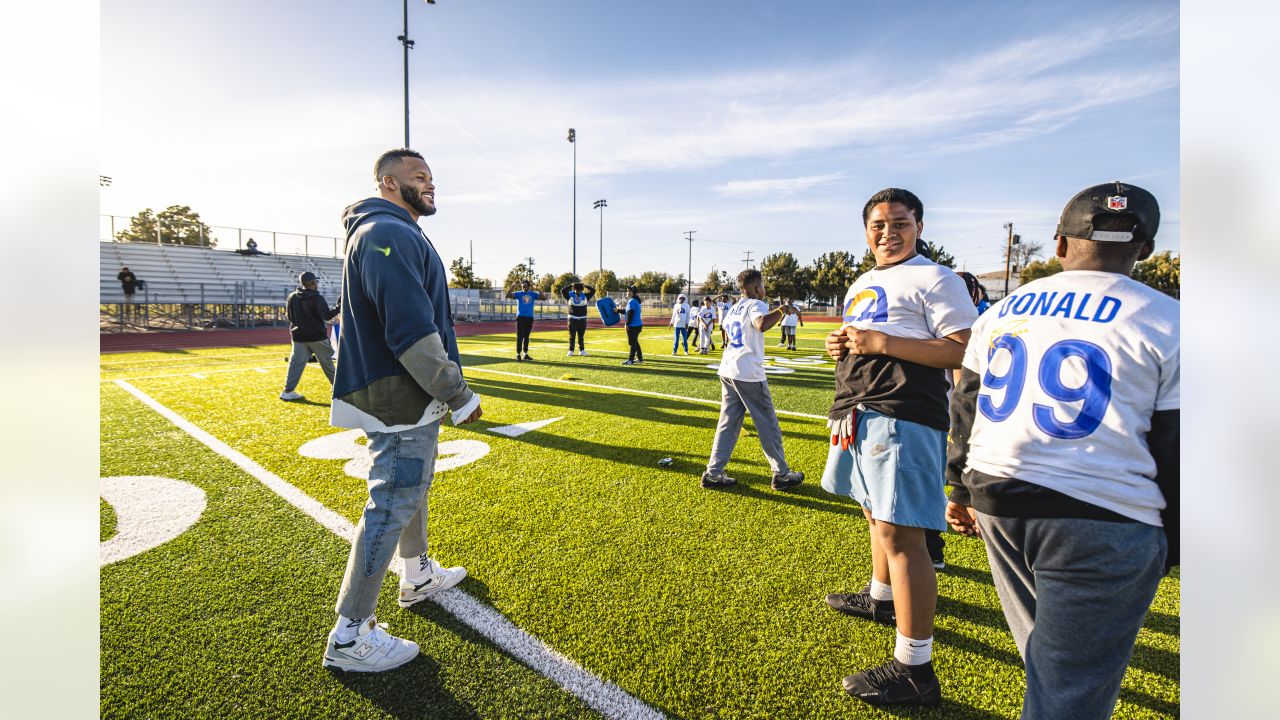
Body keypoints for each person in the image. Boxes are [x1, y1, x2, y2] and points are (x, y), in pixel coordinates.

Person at [945, 182, 1177, 720]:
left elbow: (966, 403)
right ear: (1143, 248)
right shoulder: (1169, 318)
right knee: (1070, 690)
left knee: (1049, 664)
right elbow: (1180, 443)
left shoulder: (1001, 311)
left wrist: (959, 487)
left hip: (998, 497)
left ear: (1058, 244)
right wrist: (1176, 543)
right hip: (1103, 514)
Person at [323, 148, 482, 673]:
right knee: (393, 499)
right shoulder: (386, 233)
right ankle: (350, 635)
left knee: (411, 489)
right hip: (401, 394)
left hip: (408, 394)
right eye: (420, 176)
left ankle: (415, 573)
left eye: (433, 176)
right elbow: (410, 330)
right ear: (389, 182)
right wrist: (458, 393)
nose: (430, 184)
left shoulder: (391, 230)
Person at [820, 188, 977, 706]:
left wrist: (882, 343)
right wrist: (839, 345)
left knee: (901, 532)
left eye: (900, 223)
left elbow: (964, 348)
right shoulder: (864, 281)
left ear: (919, 227)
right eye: (878, 225)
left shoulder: (936, 277)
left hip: (904, 415)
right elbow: (861, 336)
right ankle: (881, 597)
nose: (888, 232)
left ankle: (915, 669)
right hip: (859, 410)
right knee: (874, 516)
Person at [701, 269, 805, 491]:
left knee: (728, 424)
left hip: (729, 368)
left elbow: (727, 336)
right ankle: (782, 474)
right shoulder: (756, 304)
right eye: (763, 286)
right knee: (768, 424)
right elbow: (760, 324)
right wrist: (783, 309)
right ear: (756, 288)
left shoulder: (733, 308)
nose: (764, 290)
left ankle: (713, 473)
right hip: (747, 372)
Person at [280, 271, 340, 401]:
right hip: (317, 336)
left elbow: (289, 317)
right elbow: (327, 316)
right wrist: (339, 307)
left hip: (298, 337)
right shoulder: (317, 298)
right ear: (312, 283)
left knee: (295, 364)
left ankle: (287, 391)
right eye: (315, 282)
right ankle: (338, 388)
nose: (317, 284)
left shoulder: (292, 297)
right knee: (327, 364)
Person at [506, 279, 543, 361]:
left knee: (527, 336)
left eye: (526, 286)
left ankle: (525, 354)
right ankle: (518, 354)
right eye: (523, 286)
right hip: (520, 317)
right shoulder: (519, 294)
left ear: (529, 287)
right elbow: (507, 295)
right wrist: (513, 286)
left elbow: (543, 298)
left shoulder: (533, 294)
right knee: (520, 336)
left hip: (529, 317)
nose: (524, 288)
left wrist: (538, 289)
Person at [560, 280, 595, 356]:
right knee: (572, 336)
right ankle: (571, 350)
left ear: (582, 290)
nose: (577, 291)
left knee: (581, 336)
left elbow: (593, 291)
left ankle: (582, 350)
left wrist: (585, 285)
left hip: (582, 319)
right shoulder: (570, 295)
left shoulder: (585, 296)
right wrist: (570, 285)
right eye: (576, 290)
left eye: (579, 290)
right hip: (572, 319)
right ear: (574, 289)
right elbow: (562, 291)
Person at [621, 285, 644, 365]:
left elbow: (630, 313)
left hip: (633, 325)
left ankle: (630, 360)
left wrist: (627, 324)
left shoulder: (632, 301)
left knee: (632, 343)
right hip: (637, 325)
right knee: (635, 342)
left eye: (628, 291)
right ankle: (640, 358)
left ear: (631, 292)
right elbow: (627, 311)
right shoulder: (634, 300)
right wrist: (617, 310)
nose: (627, 292)